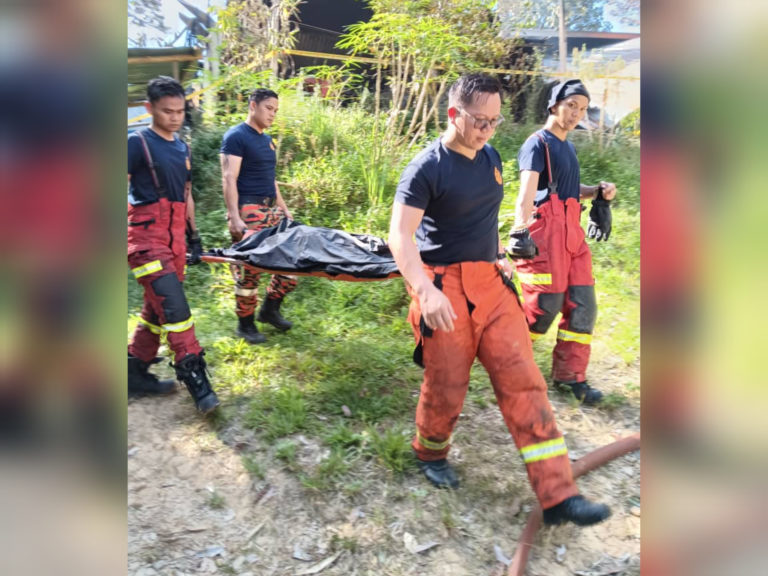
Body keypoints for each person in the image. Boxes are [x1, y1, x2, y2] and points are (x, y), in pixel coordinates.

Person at [389, 73, 610, 526]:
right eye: (480, 121)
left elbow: (483, 217)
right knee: (446, 383)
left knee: (524, 379)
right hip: (445, 287)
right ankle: (430, 452)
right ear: (454, 114)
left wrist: (496, 255)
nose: (489, 130)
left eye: (495, 121)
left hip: (491, 286)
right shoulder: (427, 167)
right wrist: (424, 289)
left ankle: (557, 494)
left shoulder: (490, 158)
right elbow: (400, 235)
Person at [510, 79, 617, 405]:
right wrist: (519, 229)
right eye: (571, 105)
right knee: (545, 306)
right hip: (545, 234)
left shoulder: (567, 146)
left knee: (584, 306)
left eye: (582, 109)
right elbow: (527, 191)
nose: (576, 114)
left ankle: (570, 378)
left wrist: (596, 192)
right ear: (554, 104)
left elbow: (567, 189)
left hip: (572, 234)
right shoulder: (537, 144)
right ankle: (508, 362)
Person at [127, 76, 220, 415]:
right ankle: (197, 381)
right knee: (177, 313)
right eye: (168, 111)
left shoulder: (183, 147)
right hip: (145, 241)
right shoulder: (136, 143)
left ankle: (134, 371)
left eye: (181, 111)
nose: (176, 117)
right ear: (150, 108)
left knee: (157, 310)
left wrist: (194, 236)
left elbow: (186, 195)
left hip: (175, 241)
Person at [220, 88, 297, 344]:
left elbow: (270, 179)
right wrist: (234, 217)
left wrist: (283, 208)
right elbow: (229, 177)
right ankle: (245, 325)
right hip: (248, 210)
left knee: (291, 264)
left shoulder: (267, 140)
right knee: (249, 270)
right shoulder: (236, 137)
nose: (273, 114)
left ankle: (269, 310)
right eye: (268, 108)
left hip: (271, 210)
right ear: (253, 106)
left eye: (276, 110)